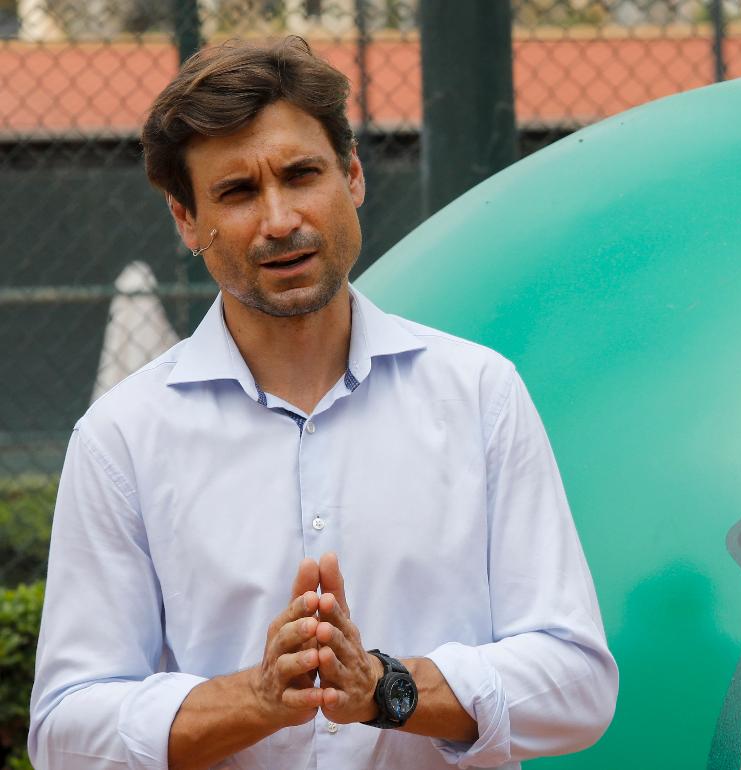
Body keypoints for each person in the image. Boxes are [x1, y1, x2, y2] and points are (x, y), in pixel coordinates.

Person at [28, 37, 618, 770]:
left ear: (354, 176)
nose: (279, 220)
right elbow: (64, 730)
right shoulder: (121, 439)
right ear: (185, 220)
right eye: (238, 192)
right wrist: (255, 699)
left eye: (302, 174)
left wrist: (386, 689)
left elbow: (578, 683)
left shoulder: (477, 393)